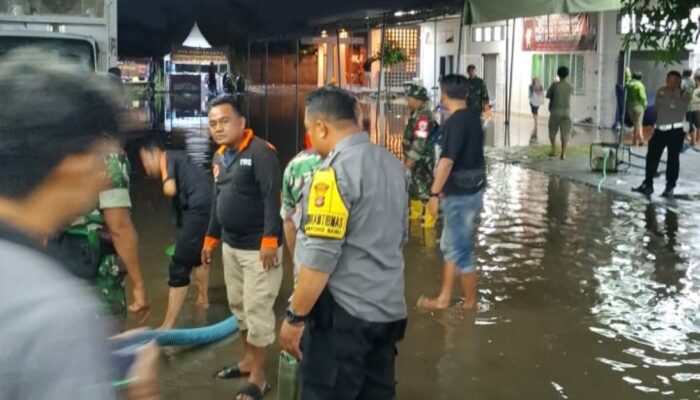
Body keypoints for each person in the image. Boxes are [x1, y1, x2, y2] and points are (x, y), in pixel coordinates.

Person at [0, 51, 157, 400]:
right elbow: (120, 228)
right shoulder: (56, 316)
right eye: (99, 156)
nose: (104, 174)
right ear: (73, 165)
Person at [278, 86, 408, 399]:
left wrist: (295, 318)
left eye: (310, 130)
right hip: (388, 314)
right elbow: (400, 236)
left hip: (344, 322)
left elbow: (319, 260)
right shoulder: (394, 166)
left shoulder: (331, 174)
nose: (311, 137)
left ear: (321, 127)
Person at [202, 95, 283, 399]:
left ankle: (260, 377)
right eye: (212, 123)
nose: (218, 128)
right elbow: (217, 202)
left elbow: (271, 198)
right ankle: (249, 360)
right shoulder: (219, 157)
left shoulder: (262, 153)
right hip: (231, 247)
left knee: (258, 309)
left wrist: (270, 240)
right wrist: (211, 239)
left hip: (258, 250)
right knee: (239, 307)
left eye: (224, 121)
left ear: (241, 122)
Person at [418, 74, 485, 311]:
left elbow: (446, 161)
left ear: (444, 95)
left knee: (461, 248)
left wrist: (434, 195)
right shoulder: (473, 117)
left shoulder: (455, 122)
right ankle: (445, 298)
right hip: (473, 189)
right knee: (451, 243)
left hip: (459, 195)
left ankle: (469, 303)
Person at [139, 142, 213, 330]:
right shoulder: (181, 159)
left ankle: (168, 325)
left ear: (155, 153)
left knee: (179, 263)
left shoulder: (168, 158)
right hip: (208, 205)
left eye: (146, 161)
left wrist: (164, 176)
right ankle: (203, 301)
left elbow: (170, 189)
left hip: (200, 207)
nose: (146, 169)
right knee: (199, 255)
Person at [632, 70, 691, 198]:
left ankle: (670, 187)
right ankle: (648, 184)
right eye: (669, 79)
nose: (671, 82)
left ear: (679, 82)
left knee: (672, 159)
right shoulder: (661, 91)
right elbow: (657, 109)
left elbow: (687, 102)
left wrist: (683, 89)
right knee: (652, 156)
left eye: (674, 80)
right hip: (659, 129)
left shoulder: (683, 94)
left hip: (675, 130)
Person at [281, 133, 322, 268]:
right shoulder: (365, 162)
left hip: (307, 262)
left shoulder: (296, 165)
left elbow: (289, 220)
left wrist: (297, 262)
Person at [404, 84, 439, 228]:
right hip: (415, 159)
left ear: (420, 100)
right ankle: (416, 216)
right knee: (414, 188)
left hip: (422, 160)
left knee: (424, 189)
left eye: (411, 99)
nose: (408, 101)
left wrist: (410, 160)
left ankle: (430, 221)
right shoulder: (416, 113)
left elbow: (420, 139)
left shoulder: (423, 117)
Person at [546, 66, 573, 160]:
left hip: (555, 112)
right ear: (567, 75)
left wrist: (555, 83)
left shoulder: (555, 85)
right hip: (567, 112)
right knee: (565, 133)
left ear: (558, 74)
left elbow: (548, 95)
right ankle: (563, 154)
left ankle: (553, 150)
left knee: (552, 132)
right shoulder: (570, 86)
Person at [624, 68, 648, 147]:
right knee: (638, 124)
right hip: (638, 106)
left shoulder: (629, 84)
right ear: (640, 78)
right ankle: (641, 139)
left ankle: (635, 142)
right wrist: (645, 104)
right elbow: (642, 97)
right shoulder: (640, 85)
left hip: (630, 107)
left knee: (636, 125)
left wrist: (627, 73)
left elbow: (627, 80)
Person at [682, 69, 697, 144]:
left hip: (684, 104)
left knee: (687, 121)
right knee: (688, 121)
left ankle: (693, 141)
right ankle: (687, 138)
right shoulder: (692, 81)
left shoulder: (682, 81)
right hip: (692, 103)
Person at [688, 71, 700, 146]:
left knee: (697, 125)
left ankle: (696, 140)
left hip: (696, 109)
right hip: (690, 108)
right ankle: (693, 140)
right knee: (690, 125)